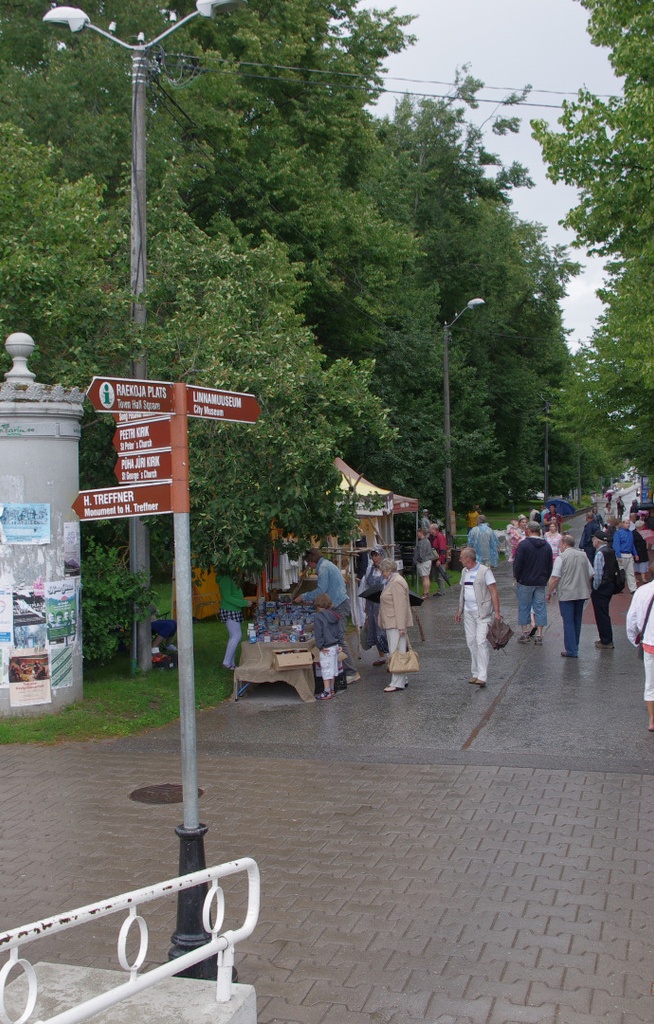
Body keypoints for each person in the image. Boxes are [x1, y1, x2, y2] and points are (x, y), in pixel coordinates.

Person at [295, 548, 360, 682]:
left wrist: (304, 596)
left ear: (312, 561)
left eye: (308, 563)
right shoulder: (328, 564)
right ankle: (341, 669)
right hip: (339, 603)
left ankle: (352, 672)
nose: (309, 566)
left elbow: (321, 589)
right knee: (337, 637)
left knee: (340, 638)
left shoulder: (323, 568)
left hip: (339, 605)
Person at [454, 545, 501, 687]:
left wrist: (497, 612)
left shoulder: (485, 571)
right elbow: (463, 591)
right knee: (471, 641)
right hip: (468, 612)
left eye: (461, 557)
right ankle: (475, 672)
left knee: (481, 641)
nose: (460, 559)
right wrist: (459, 609)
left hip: (482, 612)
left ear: (468, 558)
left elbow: (493, 591)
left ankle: (482, 675)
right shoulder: (464, 571)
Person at [546, 534, 593, 658]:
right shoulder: (583, 555)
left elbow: (555, 577)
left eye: (560, 545)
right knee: (577, 620)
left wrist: (549, 592)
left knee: (568, 622)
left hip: (567, 593)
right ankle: (574, 645)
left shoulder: (561, 558)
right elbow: (591, 573)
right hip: (581, 593)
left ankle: (571, 650)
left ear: (565, 544)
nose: (559, 547)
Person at [513, 520, 553, 645]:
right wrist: (545, 578)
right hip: (540, 581)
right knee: (540, 607)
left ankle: (525, 633)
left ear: (528, 530)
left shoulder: (524, 545)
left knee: (524, 607)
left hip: (525, 581)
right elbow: (549, 565)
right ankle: (539, 634)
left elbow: (518, 564)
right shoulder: (547, 546)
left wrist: (517, 577)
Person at [377, 557, 413, 693]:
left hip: (395, 623)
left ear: (388, 569)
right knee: (398, 650)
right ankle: (402, 678)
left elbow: (400, 606)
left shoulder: (396, 582)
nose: (382, 574)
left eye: (383, 571)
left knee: (396, 651)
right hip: (393, 622)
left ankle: (397, 682)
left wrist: (401, 626)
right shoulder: (393, 580)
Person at [626, 579, 654, 731]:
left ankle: (652, 720)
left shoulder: (642, 591)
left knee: (650, 684)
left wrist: (635, 640)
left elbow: (632, 619)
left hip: (650, 643)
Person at [313, 593, 346, 700]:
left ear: (318, 605)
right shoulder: (334, 615)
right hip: (335, 646)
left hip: (326, 647)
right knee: (333, 669)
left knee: (326, 670)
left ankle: (326, 691)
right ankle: (332, 689)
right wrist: (340, 643)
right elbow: (339, 631)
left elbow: (318, 633)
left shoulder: (318, 617)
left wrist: (320, 646)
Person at [216, 575, 253, 670]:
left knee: (234, 636)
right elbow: (227, 597)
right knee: (236, 636)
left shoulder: (230, 576)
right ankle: (227, 662)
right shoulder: (225, 578)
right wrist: (244, 603)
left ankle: (230, 663)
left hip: (233, 609)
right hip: (230, 609)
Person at [590, 531, 619, 649]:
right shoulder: (611, 551)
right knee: (604, 612)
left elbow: (597, 574)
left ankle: (606, 640)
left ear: (597, 540)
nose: (592, 541)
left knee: (601, 614)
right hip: (610, 584)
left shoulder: (599, 554)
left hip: (602, 587)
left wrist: (595, 588)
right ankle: (606, 638)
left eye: (593, 539)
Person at [362, 548, 388, 665]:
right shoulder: (370, 569)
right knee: (375, 628)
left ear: (382, 555)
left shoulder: (388, 568)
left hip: (384, 604)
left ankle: (391, 657)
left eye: (377, 555)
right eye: (373, 556)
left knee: (385, 630)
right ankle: (381, 656)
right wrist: (366, 606)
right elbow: (366, 586)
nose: (375, 558)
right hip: (372, 604)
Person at [613, 519, 638, 594]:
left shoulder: (630, 533)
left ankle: (633, 589)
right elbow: (616, 545)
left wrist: (635, 554)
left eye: (629, 523)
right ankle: (618, 587)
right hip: (622, 554)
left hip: (629, 554)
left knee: (630, 572)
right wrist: (619, 555)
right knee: (620, 572)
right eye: (626, 523)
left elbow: (632, 544)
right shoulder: (618, 533)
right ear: (622, 524)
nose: (628, 525)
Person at [429, 522, 449, 595]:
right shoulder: (432, 537)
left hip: (440, 558)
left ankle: (442, 590)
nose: (429, 530)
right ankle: (440, 589)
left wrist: (440, 560)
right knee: (436, 575)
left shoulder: (440, 536)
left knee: (441, 575)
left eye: (430, 528)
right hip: (434, 558)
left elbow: (443, 549)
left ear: (434, 529)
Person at [413, 527, 433, 599]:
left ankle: (425, 593)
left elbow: (422, 553)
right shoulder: (427, 541)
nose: (417, 534)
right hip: (427, 561)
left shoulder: (423, 542)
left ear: (421, 533)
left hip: (423, 562)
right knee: (426, 577)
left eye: (418, 532)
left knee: (424, 578)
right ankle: (426, 592)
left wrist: (418, 559)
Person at [634, 520, 651, 586]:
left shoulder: (644, 532)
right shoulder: (634, 533)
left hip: (643, 550)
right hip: (637, 550)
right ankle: (635, 578)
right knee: (635, 564)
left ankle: (643, 578)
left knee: (643, 564)